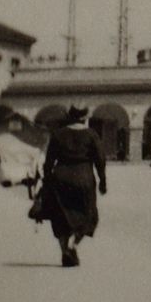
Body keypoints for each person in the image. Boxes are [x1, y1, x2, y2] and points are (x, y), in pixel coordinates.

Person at [41, 105, 106, 267]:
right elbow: (100, 160)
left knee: (61, 216)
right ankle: (73, 245)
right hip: (83, 178)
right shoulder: (91, 135)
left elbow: (48, 162)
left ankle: (65, 251)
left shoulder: (58, 134)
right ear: (84, 118)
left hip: (61, 178)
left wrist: (47, 181)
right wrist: (103, 180)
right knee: (88, 214)